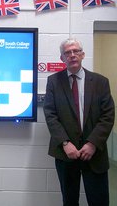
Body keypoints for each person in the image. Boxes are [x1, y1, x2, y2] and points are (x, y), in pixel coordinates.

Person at [43, 38, 115, 206]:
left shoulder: (100, 82)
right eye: (67, 53)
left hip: (95, 154)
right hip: (66, 154)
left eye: (76, 51)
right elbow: (50, 115)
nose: (72, 55)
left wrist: (92, 144)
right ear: (62, 58)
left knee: (99, 201)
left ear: (82, 54)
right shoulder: (53, 81)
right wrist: (65, 143)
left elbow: (108, 115)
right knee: (69, 201)